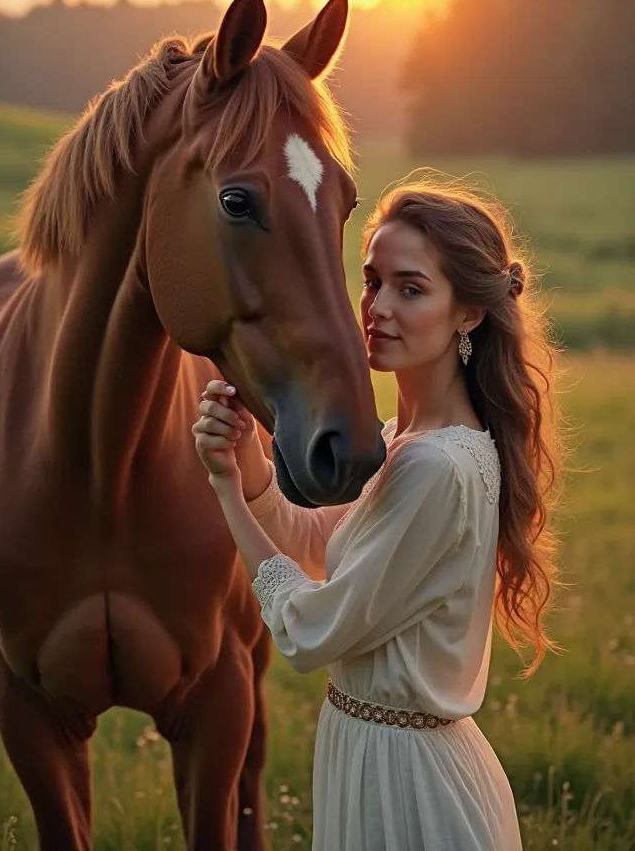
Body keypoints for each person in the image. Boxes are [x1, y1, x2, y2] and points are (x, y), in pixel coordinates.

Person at [192, 176, 562, 851]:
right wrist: (246, 466)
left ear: (468, 314)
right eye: (372, 281)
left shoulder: (435, 467)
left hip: (411, 784)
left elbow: (311, 630)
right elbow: (316, 543)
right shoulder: (402, 442)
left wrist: (222, 493)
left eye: (411, 288)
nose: (378, 307)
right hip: (371, 757)